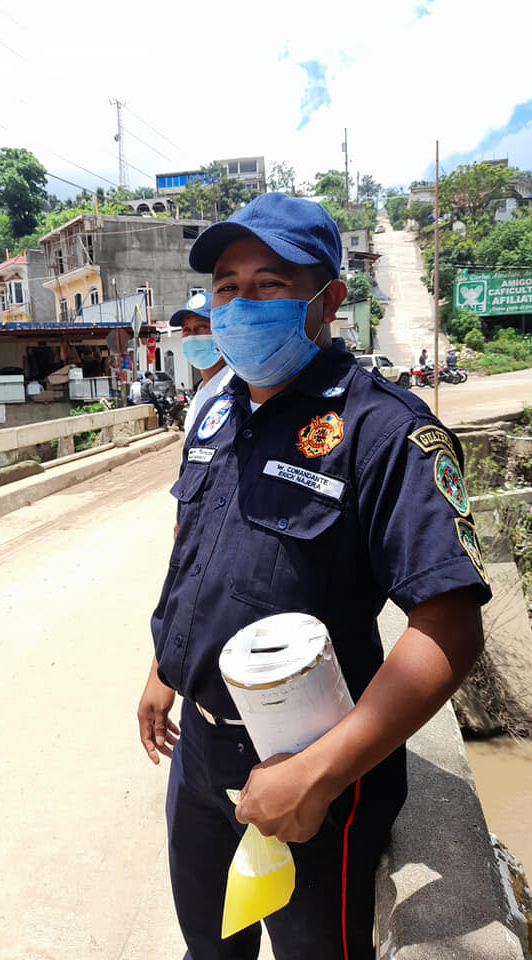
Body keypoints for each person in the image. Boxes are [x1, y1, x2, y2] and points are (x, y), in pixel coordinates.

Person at [137, 192, 490, 960]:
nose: (240, 303)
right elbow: (196, 548)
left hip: (316, 777)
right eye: (227, 287)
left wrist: (319, 774)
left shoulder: (386, 430)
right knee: (211, 947)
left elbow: (451, 624)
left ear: (327, 300)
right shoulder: (214, 412)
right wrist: (165, 668)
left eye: (270, 284)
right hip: (198, 760)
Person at [169, 292, 233, 437]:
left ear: (221, 331)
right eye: (186, 330)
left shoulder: (235, 387)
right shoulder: (201, 391)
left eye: (201, 327)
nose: (192, 336)